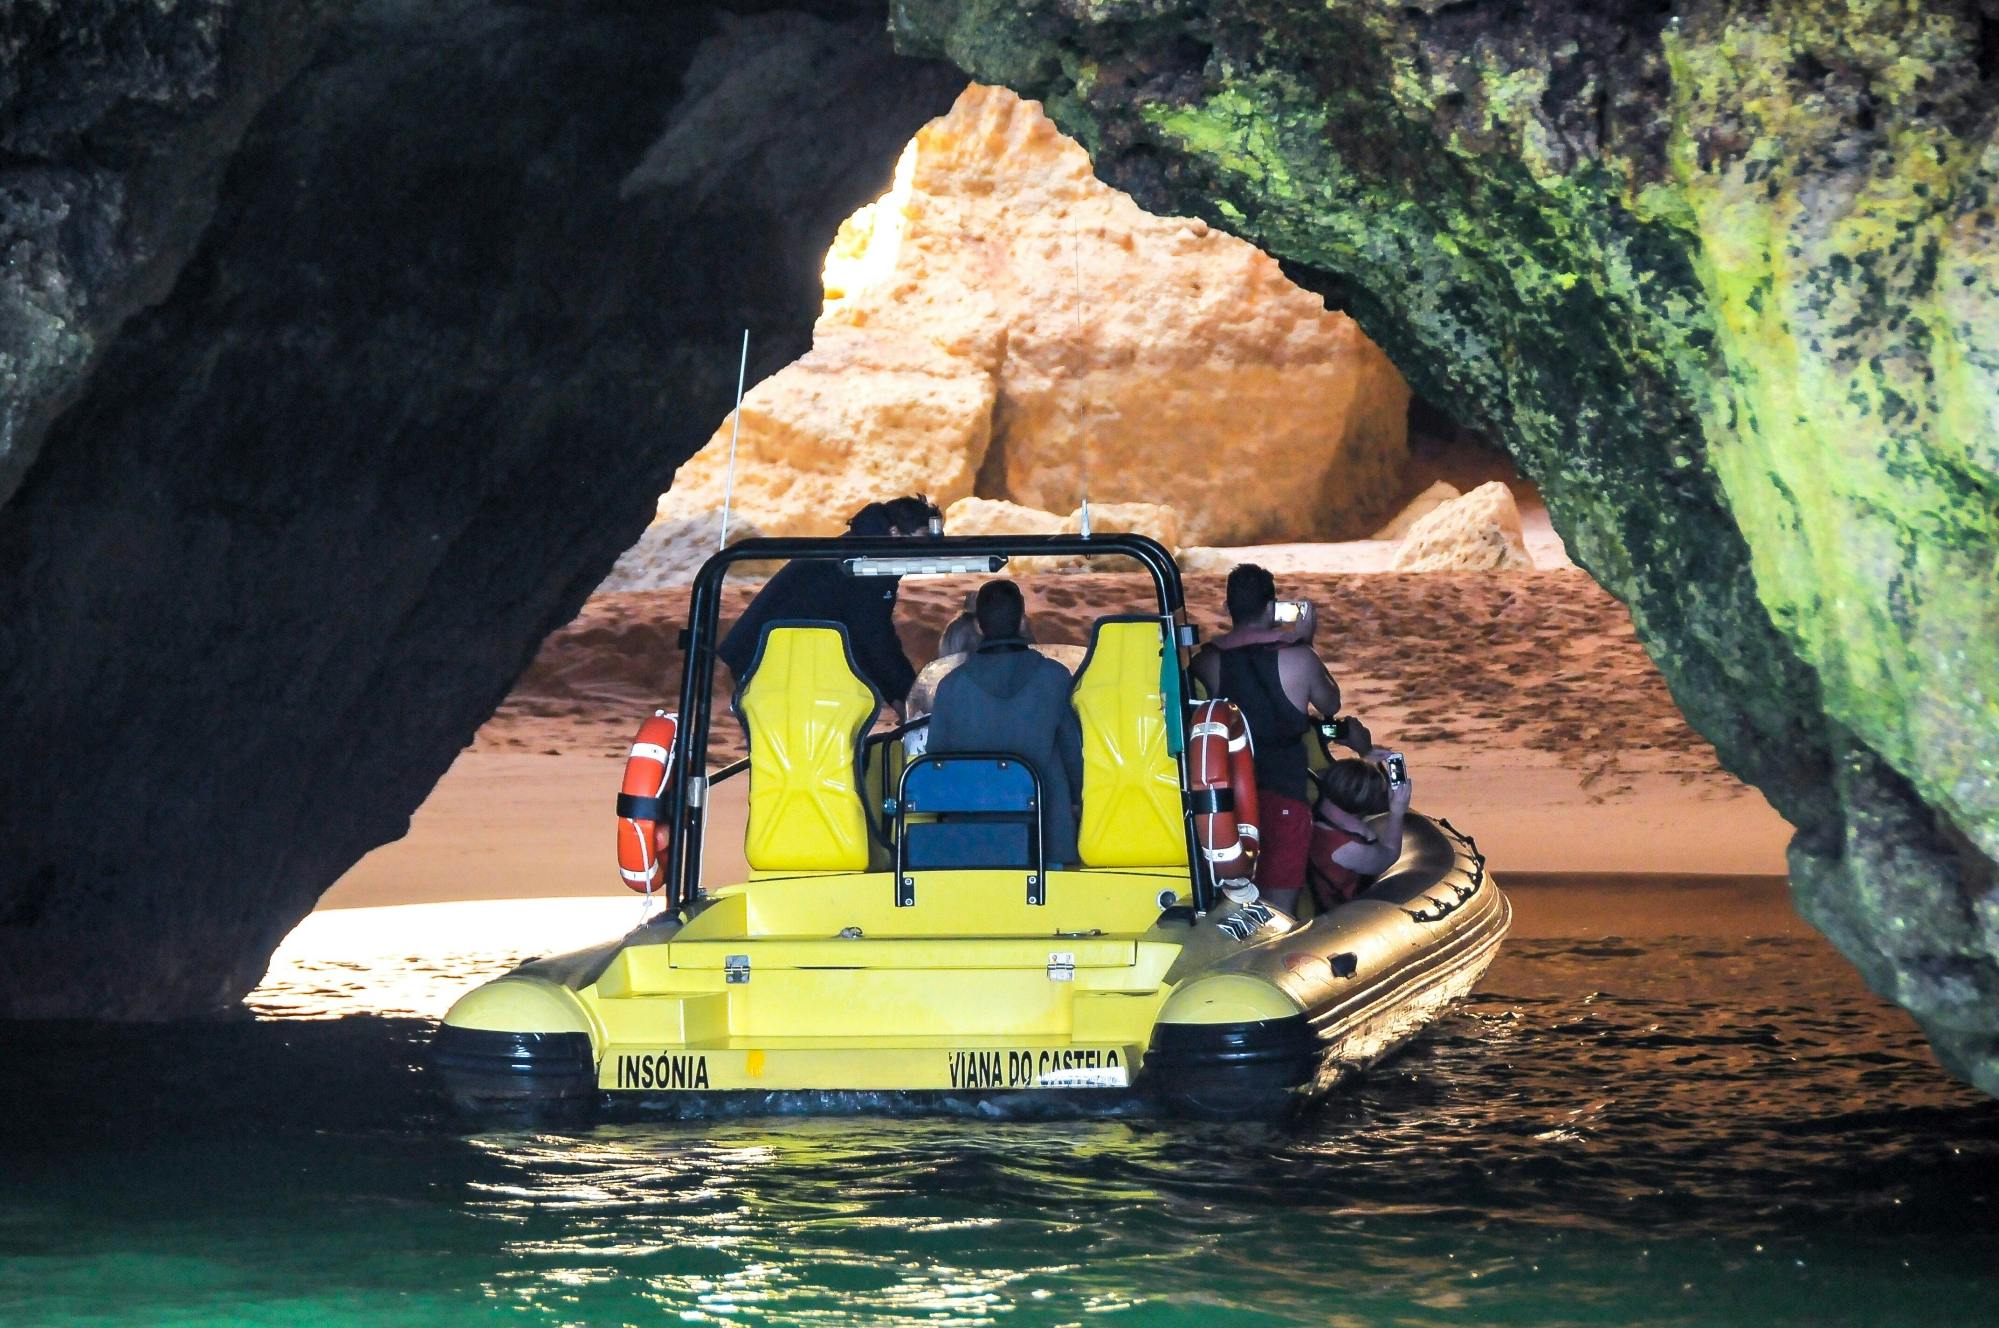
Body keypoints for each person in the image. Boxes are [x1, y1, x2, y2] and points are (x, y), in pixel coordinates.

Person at [1190, 564, 1373, 915]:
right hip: (1286, 795)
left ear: (1228, 609)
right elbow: (1330, 703)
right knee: (1281, 902)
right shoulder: (1298, 658)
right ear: (1272, 607)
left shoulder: (1206, 662)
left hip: (1226, 797)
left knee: (1232, 898)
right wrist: (1306, 641)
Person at [718, 495, 940, 714]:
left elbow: (862, 637)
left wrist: (898, 696)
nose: (924, 550)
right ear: (894, 533)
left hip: (774, 658)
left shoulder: (863, 549)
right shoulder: (866, 565)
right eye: (921, 539)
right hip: (772, 663)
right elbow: (875, 639)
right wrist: (907, 697)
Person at [926, 580, 1084, 866]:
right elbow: (1075, 754)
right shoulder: (1054, 677)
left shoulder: (951, 686)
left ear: (978, 627)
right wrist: (1077, 802)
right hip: (1047, 835)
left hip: (971, 834)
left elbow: (936, 759)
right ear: (1023, 621)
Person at [1307, 757, 1412, 909]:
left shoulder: (1314, 811)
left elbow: (1334, 780)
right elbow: (1389, 855)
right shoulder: (1350, 846)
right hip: (1335, 918)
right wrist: (1397, 812)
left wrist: (1362, 763)